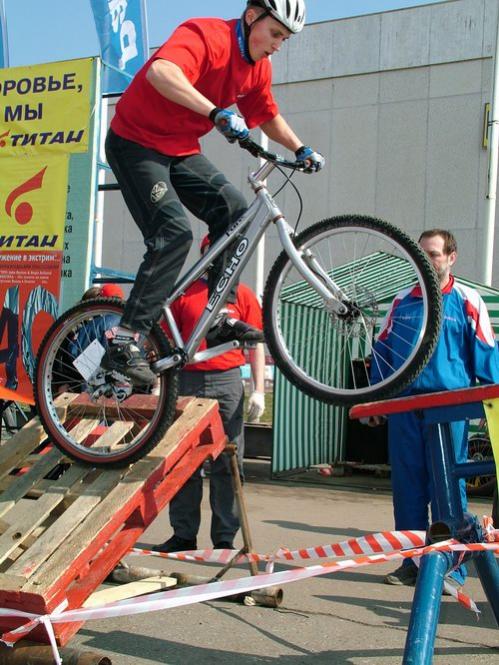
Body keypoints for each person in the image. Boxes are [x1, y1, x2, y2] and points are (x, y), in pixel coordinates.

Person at [100, 0, 324, 388]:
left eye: (284, 40)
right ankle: (124, 341)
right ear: (252, 17)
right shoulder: (206, 35)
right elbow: (161, 72)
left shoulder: (258, 68)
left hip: (180, 149)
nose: (277, 45)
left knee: (235, 211)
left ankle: (218, 317)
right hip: (135, 143)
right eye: (275, 34)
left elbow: (265, 115)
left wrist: (300, 148)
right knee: (174, 233)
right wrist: (215, 112)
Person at [369, 229, 499, 589]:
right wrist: (375, 400)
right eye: (420, 253)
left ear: (451, 258)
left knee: (447, 491)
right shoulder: (401, 301)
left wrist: (492, 407)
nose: (426, 260)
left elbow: (487, 356)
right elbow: (381, 354)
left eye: (434, 254)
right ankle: (412, 564)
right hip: (404, 409)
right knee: (407, 490)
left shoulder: (467, 300)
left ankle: (452, 568)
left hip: (448, 411)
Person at [153, 235, 265, 552]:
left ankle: (224, 538)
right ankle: (183, 534)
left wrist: (259, 390)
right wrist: (160, 383)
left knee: (228, 461)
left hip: (227, 382)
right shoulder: (184, 292)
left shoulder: (242, 294)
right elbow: (166, 341)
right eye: (210, 253)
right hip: (186, 380)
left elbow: (255, 345)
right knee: (183, 460)